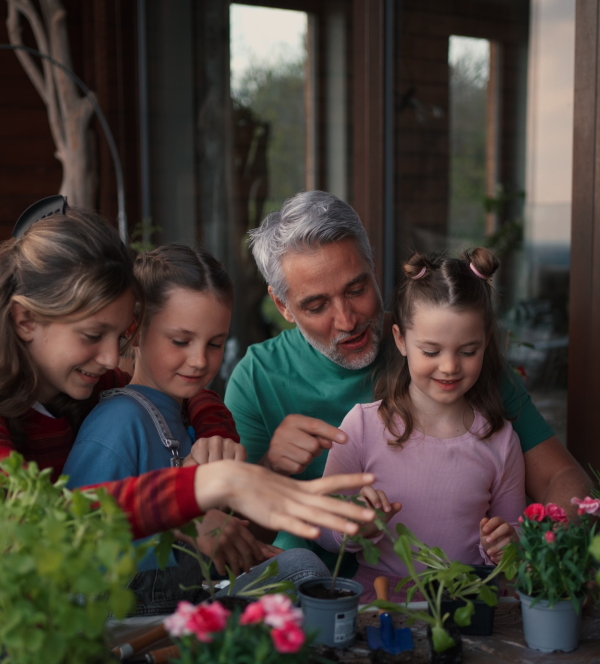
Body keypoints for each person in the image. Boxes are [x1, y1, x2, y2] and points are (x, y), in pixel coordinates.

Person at [0, 202, 378, 563]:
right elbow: (40, 523)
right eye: (91, 335)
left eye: (118, 337)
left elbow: (168, 398)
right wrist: (193, 501)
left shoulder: (95, 381)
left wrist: (214, 430)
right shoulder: (112, 413)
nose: (112, 358)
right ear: (25, 320)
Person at [224, 191, 590, 562]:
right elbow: (236, 538)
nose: (347, 320)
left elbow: (564, 481)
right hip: (317, 591)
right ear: (282, 306)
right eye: (317, 305)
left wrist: (537, 556)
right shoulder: (256, 380)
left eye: (357, 289)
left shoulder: (452, 353)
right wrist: (272, 469)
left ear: (374, 268)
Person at [64, 243, 283, 611]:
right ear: (134, 330)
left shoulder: (194, 421)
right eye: (180, 341)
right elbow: (75, 543)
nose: (199, 361)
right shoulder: (118, 423)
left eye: (215, 344)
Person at [317, 248, 526, 601]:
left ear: (486, 343)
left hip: (467, 605)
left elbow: (515, 532)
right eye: (431, 352)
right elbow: (321, 525)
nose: (449, 367)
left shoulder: (500, 440)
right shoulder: (363, 427)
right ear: (400, 340)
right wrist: (354, 528)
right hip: (379, 606)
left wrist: (508, 543)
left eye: (468, 351)